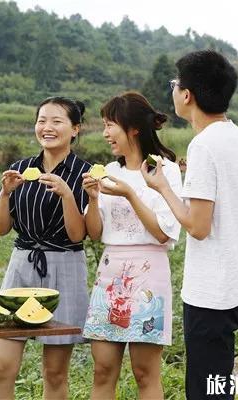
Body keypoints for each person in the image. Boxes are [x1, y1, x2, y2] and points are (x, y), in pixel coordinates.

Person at [141, 50, 238, 399]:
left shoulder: (203, 146)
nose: (174, 89)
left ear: (187, 95)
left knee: (206, 389)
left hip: (212, 290)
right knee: (217, 384)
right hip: (236, 283)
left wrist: (163, 187)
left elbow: (198, 226)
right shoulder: (236, 136)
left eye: (175, 83)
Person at [0, 97, 91, 400]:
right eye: (42, 120)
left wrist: (67, 195)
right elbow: (1, 228)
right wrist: (6, 195)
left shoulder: (84, 174)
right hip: (22, 265)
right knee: (2, 367)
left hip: (66, 266)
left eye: (57, 121)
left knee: (55, 373)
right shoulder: (20, 169)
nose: (47, 127)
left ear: (75, 129)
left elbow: (77, 235)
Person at [80, 92, 182, 399]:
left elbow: (163, 233)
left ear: (133, 128)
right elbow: (95, 232)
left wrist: (130, 195)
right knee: (103, 369)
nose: (105, 133)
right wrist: (94, 197)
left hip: (149, 276)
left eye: (110, 125)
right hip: (110, 273)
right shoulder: (109, 171)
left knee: (144, 372)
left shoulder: (165, 170)